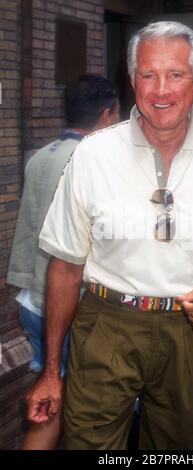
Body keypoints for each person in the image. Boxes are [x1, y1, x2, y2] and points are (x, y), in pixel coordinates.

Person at [26, 21, 193, 450]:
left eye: (175, 74)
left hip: (188, 333)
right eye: (148, 74)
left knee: (178, 450)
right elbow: (65, 267)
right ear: (132, 80)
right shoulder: (92, 155)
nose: (161, 90)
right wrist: (51, 371)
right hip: (105, 325)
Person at [6, 74, 120, 450]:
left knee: (49, 402)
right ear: (106, 115)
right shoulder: (97, 163)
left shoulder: (39, 157)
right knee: (81, 416)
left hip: (32, 301)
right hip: (74, 304)